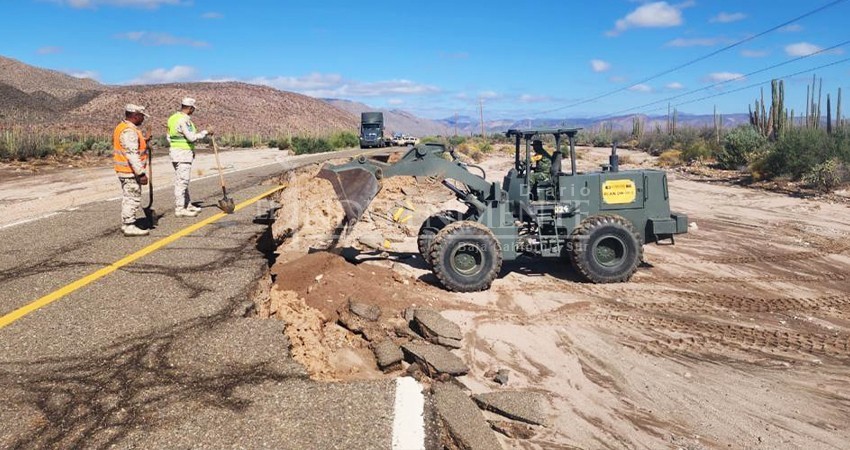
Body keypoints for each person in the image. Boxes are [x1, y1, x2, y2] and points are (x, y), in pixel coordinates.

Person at [167, 97, 212, 218]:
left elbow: (168, 137)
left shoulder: (172, 118)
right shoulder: (183, 120)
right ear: (190, 108)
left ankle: (187, 204)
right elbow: (191, 137)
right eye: (193, 109)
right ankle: (180, 208)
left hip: (176, 152)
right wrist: (205, 133)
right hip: (183, 154)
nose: (193, 111)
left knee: (183, 180)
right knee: (182, 181)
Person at [114, 104, 150, 236]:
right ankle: (129, 225)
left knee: (129, 197)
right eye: (142, 116)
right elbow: (131, 153)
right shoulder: (129, 131)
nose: (143, 119)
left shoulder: (122, 127)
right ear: (135, 116)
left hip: (125, 170)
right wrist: (140, 173)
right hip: (129, 171)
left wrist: (145, 141)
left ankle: (127, 223)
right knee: (132, 198)